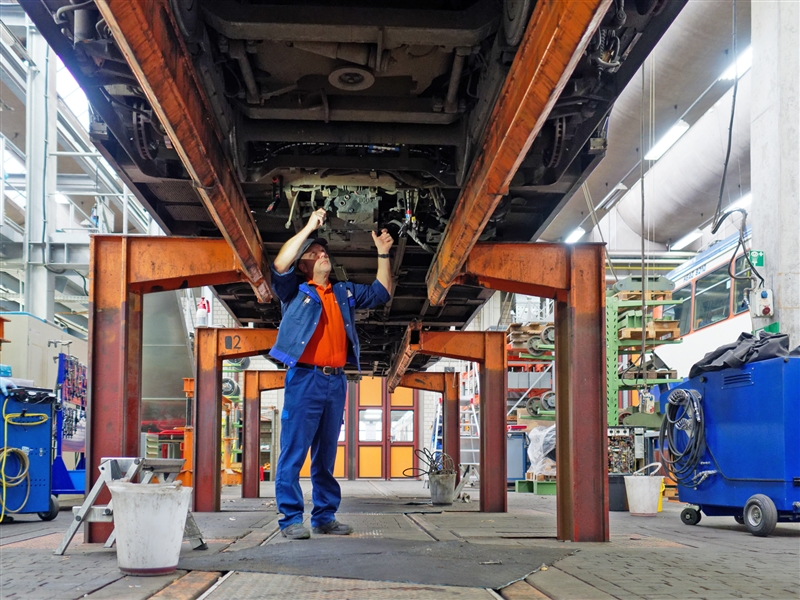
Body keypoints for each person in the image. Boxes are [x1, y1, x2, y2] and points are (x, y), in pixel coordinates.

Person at [269, 208, 393, 539]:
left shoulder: (342, 293)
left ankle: (324, 516)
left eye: (324, 251)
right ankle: (290, 519)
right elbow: (279, 265)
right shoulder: (295, 291)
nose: (322, 254)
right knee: (294, 451)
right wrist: (310, 227)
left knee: (325, 454)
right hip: (304, 378)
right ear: (303, 265)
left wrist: (383, 253)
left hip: (335, 381)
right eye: (314, 253)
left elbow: (381, 292)